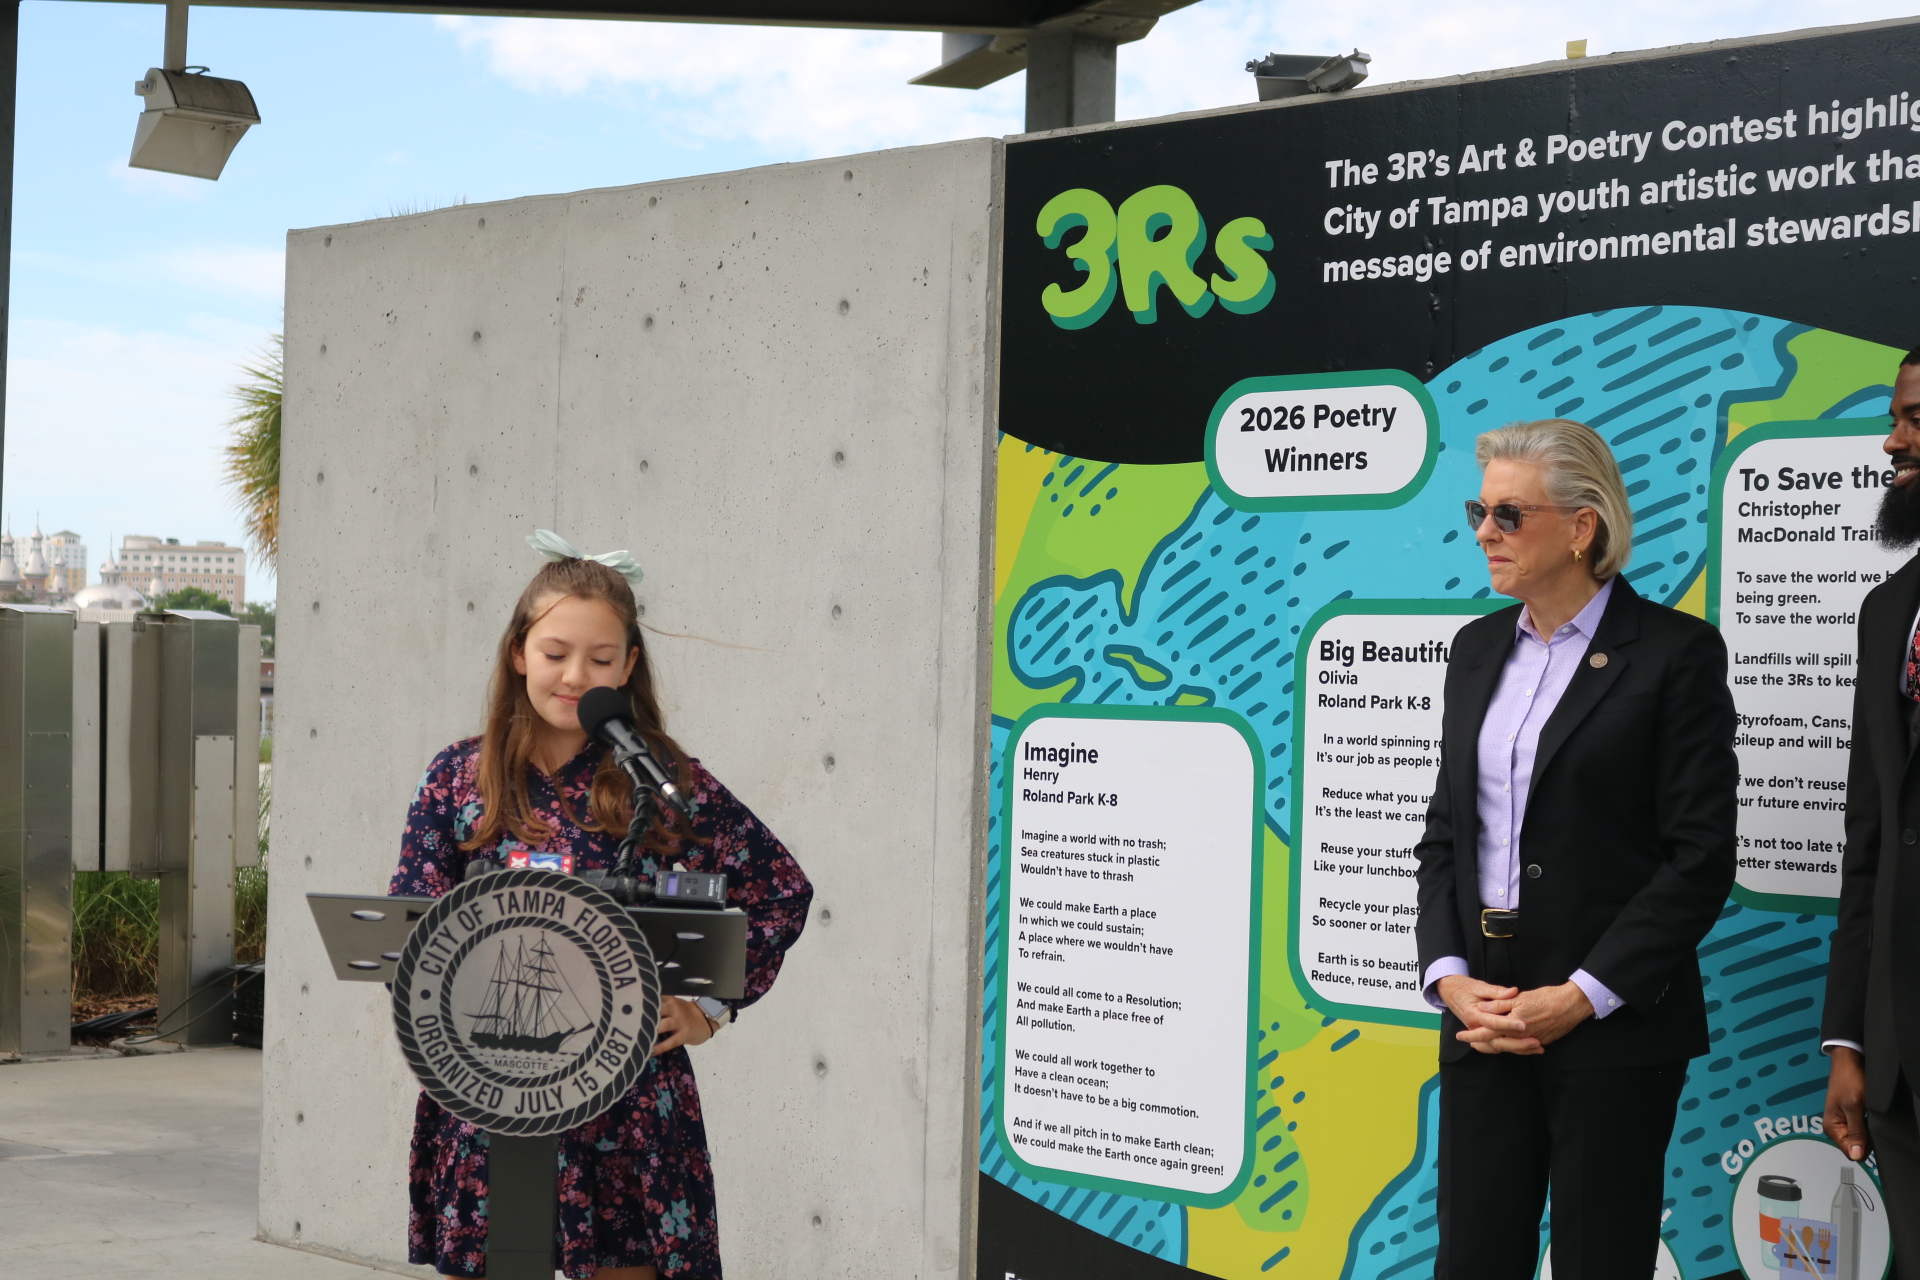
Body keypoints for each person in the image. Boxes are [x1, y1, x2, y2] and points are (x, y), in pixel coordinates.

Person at [390, 534, 812, 1280]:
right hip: (491, 1093)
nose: (575, 676)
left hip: (630, 1099)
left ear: (628, 667)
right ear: (519, 652)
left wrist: (709, 1006)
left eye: (600, 659)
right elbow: (410, 920)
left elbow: (779, 891)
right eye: (555, 653)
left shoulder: (665, 780)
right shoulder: (458, 778)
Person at [1413, 418, 1738, 1280]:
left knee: (1600, 1260)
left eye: (1509, 515)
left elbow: (1700, 858)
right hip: (1483, 1014)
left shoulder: (1674, 655)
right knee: (1473, 1260)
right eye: (1479, 511)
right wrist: (1449, 978)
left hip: (1612, 1024)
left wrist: (1584, 996)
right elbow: (1447, 832)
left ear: (1582, 526)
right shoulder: (1476, 649)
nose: (1485, 531)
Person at [1823, 345, 1920, 1276]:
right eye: (1898, 418)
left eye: (1917, 420)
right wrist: (1850, 1039)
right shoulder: (1887, 612)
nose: (1893, 441)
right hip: (1898, 1073)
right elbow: (1870, 843)